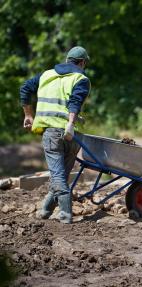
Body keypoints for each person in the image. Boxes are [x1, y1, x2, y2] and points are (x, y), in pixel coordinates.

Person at [20, 46, 91, 224]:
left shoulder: (46, 75)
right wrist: (70, 124)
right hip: (72, 134)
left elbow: (25, 88)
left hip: (51, 133)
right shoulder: (81, 78)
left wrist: (28, 115)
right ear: (82, 63)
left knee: (58, 176)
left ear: (67, 60)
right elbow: (76, 101)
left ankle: (65, 214)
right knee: (60, 176)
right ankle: (45, 211)